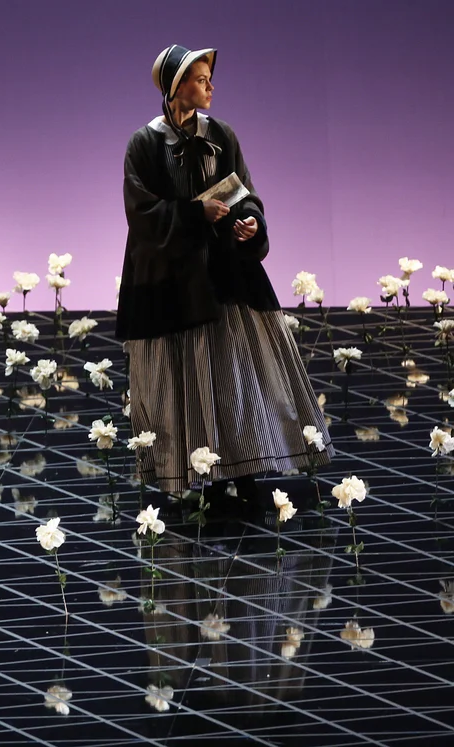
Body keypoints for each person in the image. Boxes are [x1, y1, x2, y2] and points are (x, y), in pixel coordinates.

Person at [115, 46, 332, 510]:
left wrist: (250, 220)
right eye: (199, 79)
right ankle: (205, 473)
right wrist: (195, 213)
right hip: (175, 283)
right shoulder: (145, 144)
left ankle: (245, 469)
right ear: (176, 87)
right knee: (189, 379)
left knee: (235, 375)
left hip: (224, 275)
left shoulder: (221, 135)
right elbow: (141, 212)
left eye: (209, 77)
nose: (210, 86)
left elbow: (244, 191)